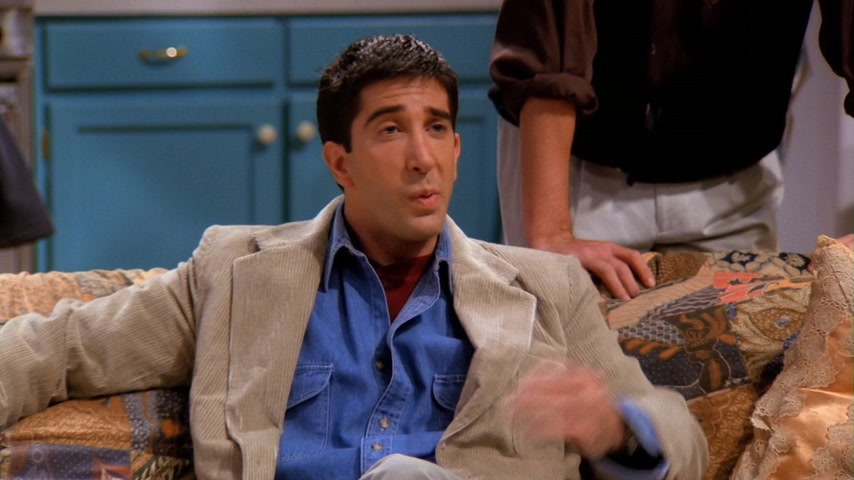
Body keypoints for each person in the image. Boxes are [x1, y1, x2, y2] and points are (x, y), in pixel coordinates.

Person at [0, 34, 707, 479]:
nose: (422, 157)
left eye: (438, 128)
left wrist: (617, 427)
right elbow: (59, 348)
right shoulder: (233, 273)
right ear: (340, 161)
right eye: (391, 130)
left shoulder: (547, 287)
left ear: (459, 149)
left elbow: (678, 433)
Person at [489, 0, 854, 301]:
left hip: (734, 185)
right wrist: (553, 235)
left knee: (737, 355)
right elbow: (550, 42)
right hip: (576, 170)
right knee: (567, 354)